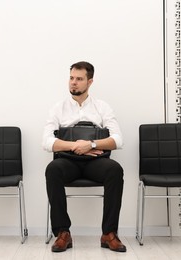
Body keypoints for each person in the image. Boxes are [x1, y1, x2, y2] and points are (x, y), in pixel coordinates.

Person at [42, 61, 126, 253]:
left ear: (90, 82)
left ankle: (109, 234)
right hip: (68, 161)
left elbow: (118, 139)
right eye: (71, 78)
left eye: (79, 79)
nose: (73, 83)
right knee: (52, 169)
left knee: (115, 170)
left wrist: (92, 144)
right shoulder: (58, 108)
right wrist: (76, 146)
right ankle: (63, 233)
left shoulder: (102, 107)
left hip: (96, 162)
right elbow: (46, 142)